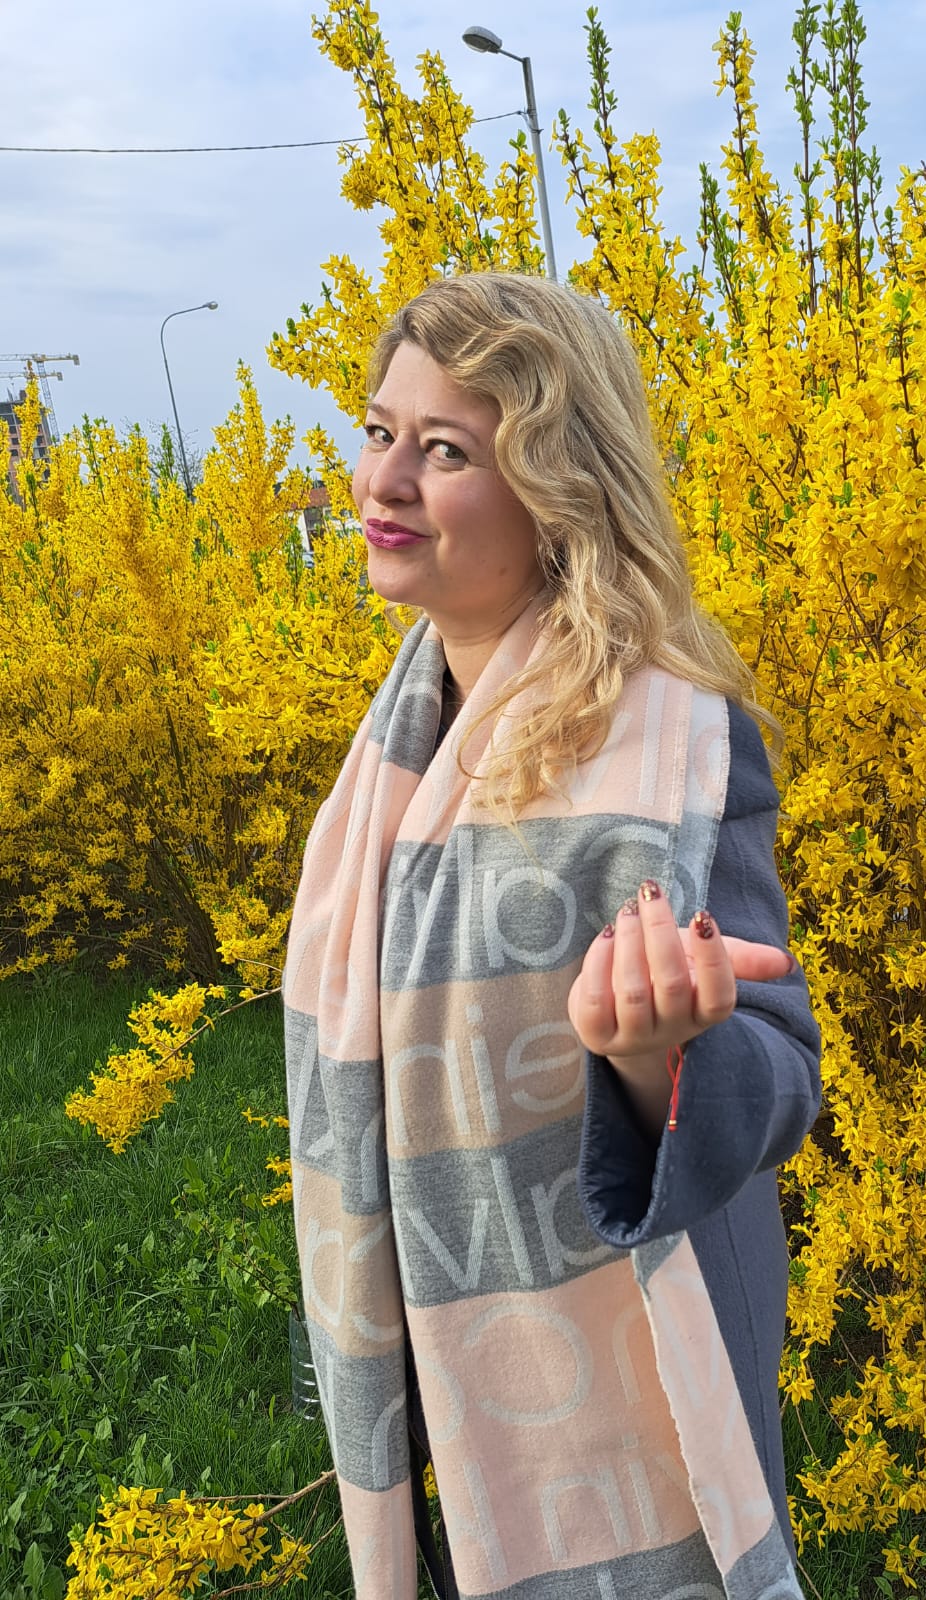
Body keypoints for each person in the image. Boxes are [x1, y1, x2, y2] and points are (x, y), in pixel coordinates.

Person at [283, 271, 822, 1600]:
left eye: (446, 451)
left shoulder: (673, 741)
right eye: (380, 430)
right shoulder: (397, 755)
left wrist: (652, 1061)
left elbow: (778, 1077)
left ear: (556, 488)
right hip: (436, 1354)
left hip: (633, 1360)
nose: (383, 481)